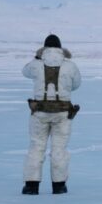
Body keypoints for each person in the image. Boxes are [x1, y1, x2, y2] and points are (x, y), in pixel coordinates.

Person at [21, 34, 81, 195]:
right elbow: (76, 84)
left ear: (44, 48)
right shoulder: (70, 66)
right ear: (61, 48)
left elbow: (25, 71)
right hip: (62, 114)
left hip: (39, 113)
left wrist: (37, 57)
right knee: (59, 149)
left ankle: (31, 186)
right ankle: (59, 186)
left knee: (36, 147)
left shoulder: (36, 65)